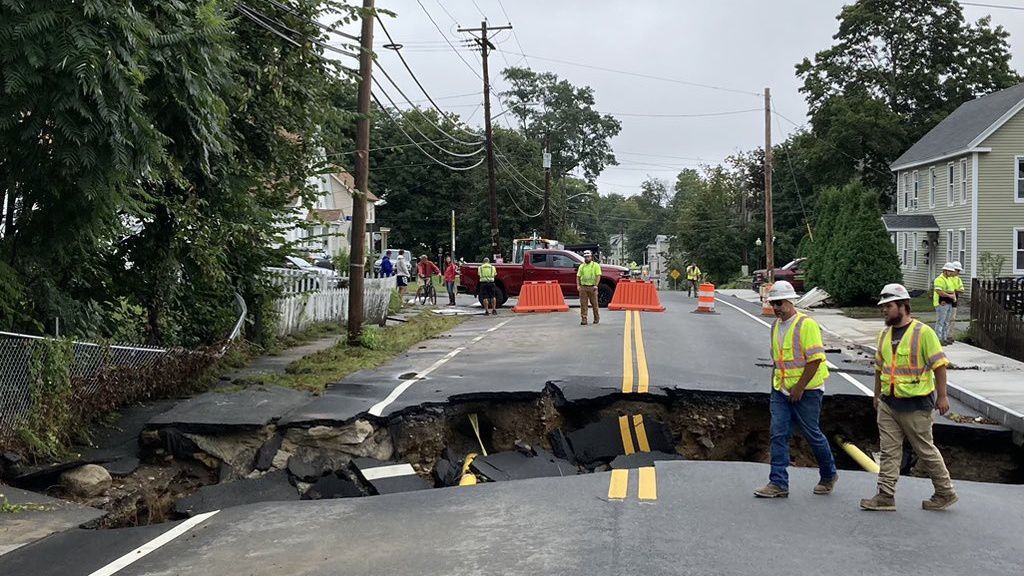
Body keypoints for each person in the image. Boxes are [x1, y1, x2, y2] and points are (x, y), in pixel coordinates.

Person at [860, 283, 957, 512]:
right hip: (889, 403)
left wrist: (942, 397)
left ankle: (945, 491)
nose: (884, 311)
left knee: (925, 449)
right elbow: (879, 368)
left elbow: (939, 366)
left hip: (916, 405)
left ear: (903, 306)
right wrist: (877, 396)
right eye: (882, 307)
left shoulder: (923, 333)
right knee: (888, 451)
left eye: (889, 306)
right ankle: (885, 495)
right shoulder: (884, 335)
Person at [754, 280, 838, 499]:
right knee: (778, 433)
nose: (776, 308)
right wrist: (777, 383)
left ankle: (829, 475)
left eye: (779, 303)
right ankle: (778, 483)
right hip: (781, 390)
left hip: (808, 391)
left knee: (812, 434)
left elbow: (815, 360)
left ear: (790, 301)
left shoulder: (805, 324)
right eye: (773, 303)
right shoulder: (774, 327)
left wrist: (799, 388)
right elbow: (778, 359)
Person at [933, 263, 958, 345]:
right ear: (945, 270)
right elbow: (939, 291)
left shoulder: (949, 279)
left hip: (948, 302)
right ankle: (938, 339)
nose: (951, 273)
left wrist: (953, 297)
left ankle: (944, 338)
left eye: (952, 271)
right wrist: (949, 296)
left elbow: (953, 290)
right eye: (949, 271)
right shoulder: (939, 279)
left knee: (946, 321)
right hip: (941, 302)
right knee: (941, 321)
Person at [577, 250, 602, 326]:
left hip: (592, 287)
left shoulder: (595, 265)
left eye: (588, 257)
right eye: (585, 257)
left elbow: (598, 276)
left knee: (594, 304)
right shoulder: (582, 266)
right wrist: (578, 285)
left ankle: (596, 318)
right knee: (583, 304)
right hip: (583, 287)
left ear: (591, 257)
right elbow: (578, 276)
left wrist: (596, 285)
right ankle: (584, 319)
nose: (587, 258)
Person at [948, 261, 966, 345]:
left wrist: (955, 290)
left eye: (959, 271)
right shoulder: (947, 278)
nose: (958, 272)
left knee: (952, 318)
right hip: (946, 300)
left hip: (954, 300)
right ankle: (943, 335)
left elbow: (962, 290)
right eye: (957, 270)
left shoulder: (958, 279)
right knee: (945, 319)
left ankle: (950, 336)